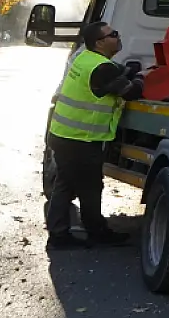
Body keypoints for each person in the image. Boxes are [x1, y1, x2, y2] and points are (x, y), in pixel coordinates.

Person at [44, 21, 143, 250]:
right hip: (80, 139)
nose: (118, 37)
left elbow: (114, 72)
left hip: (65, 135)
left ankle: (59, 233)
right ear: (100, 43)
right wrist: (143, 77)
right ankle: (95, 232)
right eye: (113, 35)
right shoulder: (100, 68)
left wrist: (129, 70)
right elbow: (131, 93)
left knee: (66, 184)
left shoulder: (85, 58)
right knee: (89, 186)